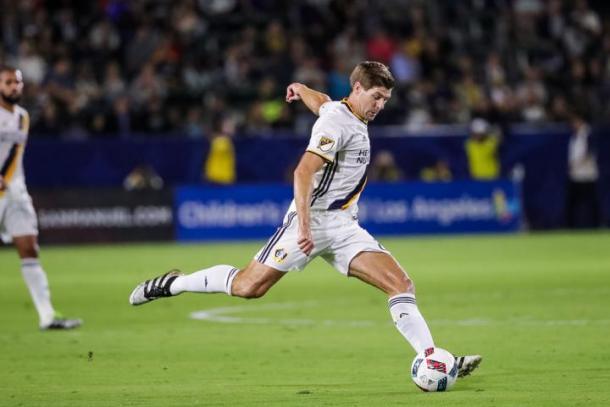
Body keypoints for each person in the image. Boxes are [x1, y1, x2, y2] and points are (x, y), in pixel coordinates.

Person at [129, 61, 481, 376]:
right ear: (357, 88)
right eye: (376, 97)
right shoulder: (335, 123)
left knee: (401, 284)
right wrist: (305, 227)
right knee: (248, 288)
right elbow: (302, 171)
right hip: (310, 223)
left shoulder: (344, 112)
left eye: (385, 100)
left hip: (343, 225)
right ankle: (174, 283)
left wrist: (300, 88)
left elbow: (323, 101)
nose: (380, 106)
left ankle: (433, 358)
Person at [0, 66, 82, 330]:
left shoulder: (23, 117)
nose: (14, 87)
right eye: (8, 82)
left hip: (16, 193)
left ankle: (47, 316)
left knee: (29, 249)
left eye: (17, 82)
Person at [566, 112, 600, 228]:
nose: (573, 125)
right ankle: (571, 226)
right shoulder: (574, 136)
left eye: (575, 122)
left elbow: (590, 152)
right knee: (573, 202)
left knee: (592, 202)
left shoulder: (589, 134)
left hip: (588, 174)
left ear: (580, 121)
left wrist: (577, 163)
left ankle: (597, 225)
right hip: (576, 175)